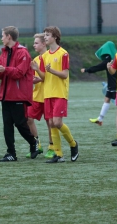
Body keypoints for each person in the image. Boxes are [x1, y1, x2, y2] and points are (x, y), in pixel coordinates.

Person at [0, 26, 39, 162]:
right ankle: (11, 153)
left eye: (2, 36)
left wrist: (4, 69)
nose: (1, 38)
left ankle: (33, 142)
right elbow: (2, 74)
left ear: (9, 37)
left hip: (18, 94)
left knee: (20, 123)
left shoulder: (23, 53)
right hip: (6, 94)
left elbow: (19, 73)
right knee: (7, 124)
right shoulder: (4, 52)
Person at [31, 26, 79, 163]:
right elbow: (44, 77)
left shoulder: (63, 53)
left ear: (55, 37)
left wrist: (51, 71)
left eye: (47, 35)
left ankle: (73, 144)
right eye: (44, 35)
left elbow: (64, 74)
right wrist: (36, 70)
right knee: (51, 123)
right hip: (48, 93)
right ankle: (59, 154)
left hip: (60, 93)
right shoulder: (44, 56)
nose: (45, 37)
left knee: (57, 122)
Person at [80, 41, 117, 126]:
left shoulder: (109, 58)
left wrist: (87, 70)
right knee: (107, 99)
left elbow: (99, 66)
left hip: (115, 83)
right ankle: (100, 119)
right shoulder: (115, 56)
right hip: (113, 82)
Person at [26, 33, 54, 159]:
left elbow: (50, 77)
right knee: (28, 119)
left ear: (44, 44)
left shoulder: (51, 57)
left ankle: (52, 147)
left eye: (36, 43)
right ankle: (37, 145)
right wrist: (33, 80)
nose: (34, 45)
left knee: (50, 123)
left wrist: (40, 76)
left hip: (49, 95)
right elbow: (31, 78)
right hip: (36, 95)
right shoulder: (35, 60)